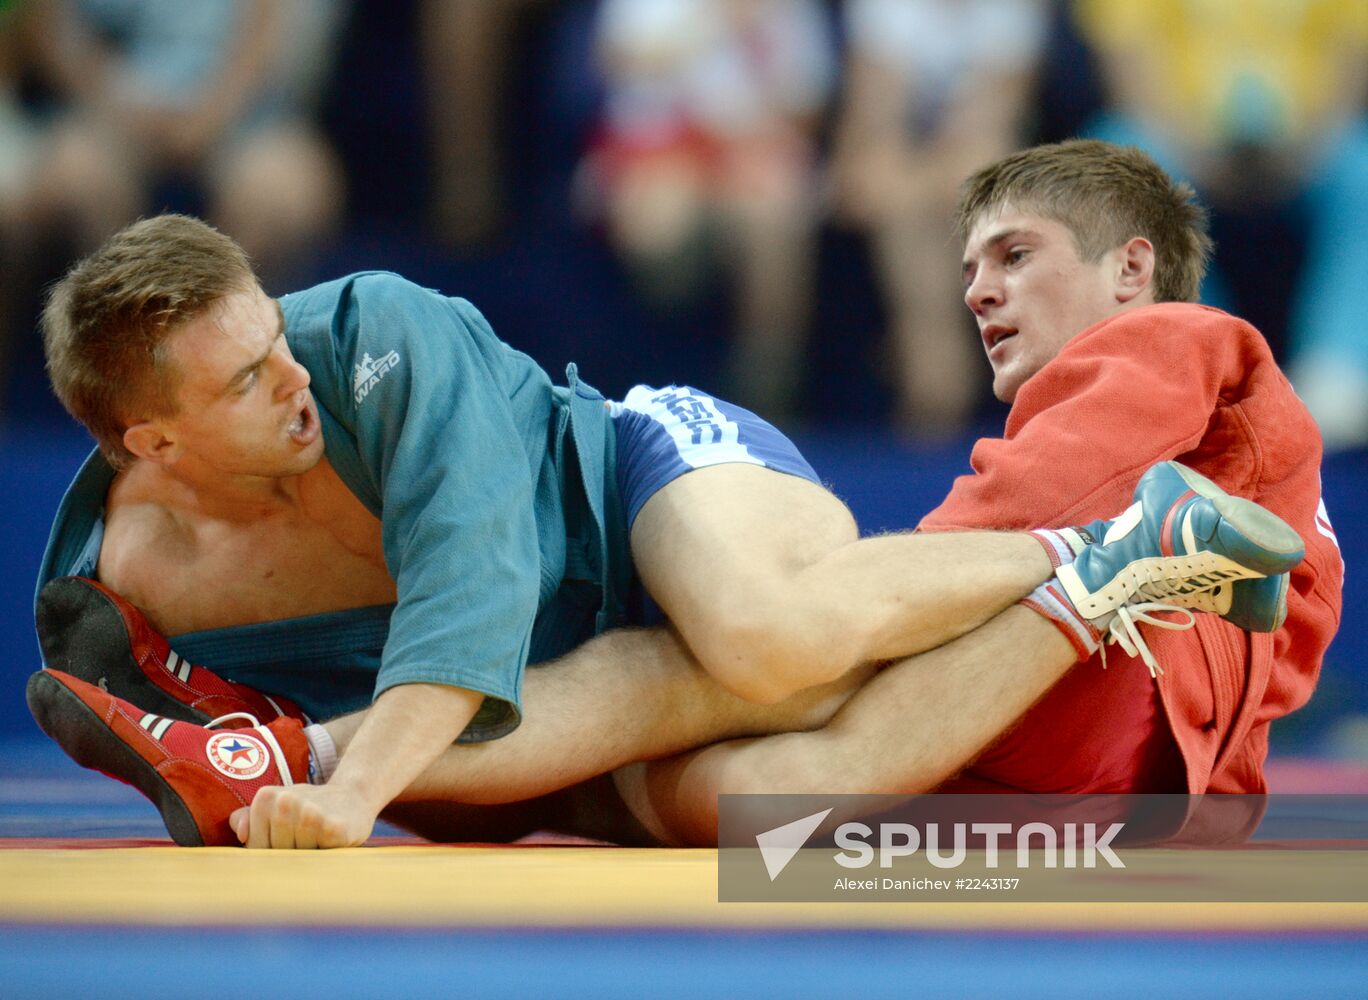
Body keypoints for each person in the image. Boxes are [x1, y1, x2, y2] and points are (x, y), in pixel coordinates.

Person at [28, 140, 1310, 848]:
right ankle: (1112, 561)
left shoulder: (376, 336)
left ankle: (1103, 545)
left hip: (640, 484)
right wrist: (276, 778)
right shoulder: (113, 603)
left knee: (781, 643)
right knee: (762, 814)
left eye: (276, 335)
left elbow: (472, 587)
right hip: (568, 703)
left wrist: (335, 785)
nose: (289, 374)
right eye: (245, 381)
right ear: (152, 443)